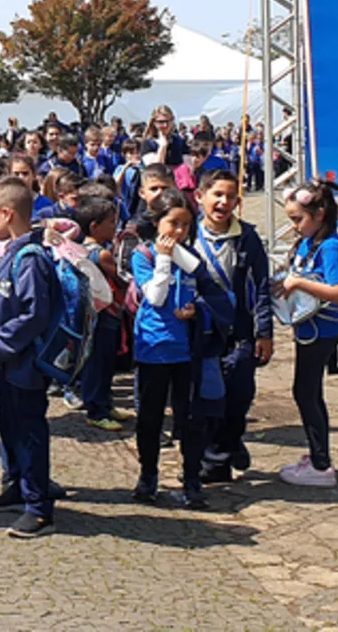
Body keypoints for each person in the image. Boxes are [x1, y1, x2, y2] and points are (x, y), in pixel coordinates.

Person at [0, 176, 59, 539]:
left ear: (7, 214)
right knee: (9, 426)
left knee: (29, 432)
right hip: (7, 363)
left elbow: (33, 316)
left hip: (26, 363)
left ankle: (39, 509)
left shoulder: (31, 259)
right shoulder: (9, 252)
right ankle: (17, 486)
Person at [128, 190, 225, 511]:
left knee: (190, 418)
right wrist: (165, 259)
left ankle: (192, 479)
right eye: (173, 224)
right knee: (150, 418)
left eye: (186, 225)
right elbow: (154, 297)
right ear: (157, 223)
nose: (179, 232)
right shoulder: (143, 255)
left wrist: (197, 310)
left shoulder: (191, 257)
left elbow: (211, 292)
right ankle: (147, 476)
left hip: (187, 351)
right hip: (154, 348)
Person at [194, 169, 274, 483]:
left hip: (240, 333)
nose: (222, 202)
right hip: (202, 333)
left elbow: (263, 287)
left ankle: (230, 442)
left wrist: (264, 332)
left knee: (239, 396)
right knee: (208, 399)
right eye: (217, 195)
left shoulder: (248, 238)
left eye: (229, 197)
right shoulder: (188, 236)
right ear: (200, 197)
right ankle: (215, 460)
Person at [275, 180, 338, 487]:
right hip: (307, 326)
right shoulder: (310, 241)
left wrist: (297, 284)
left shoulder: (331, 246)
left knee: (306, 393)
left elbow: (336, 291)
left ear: (320, 214)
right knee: (308, 392)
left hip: (322, 330)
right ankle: (317, 455)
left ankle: (321, 465)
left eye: (298, 219)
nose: (294, 226)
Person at [69, 194, 132, 432]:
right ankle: (97, 410)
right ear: (94, 226)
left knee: (105, 363)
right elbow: (122, 277)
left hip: (95, 314)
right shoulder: (100, 254)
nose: (115, 227)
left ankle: (105, 403)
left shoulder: (79, 248)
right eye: (111, 223)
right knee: (99, 364)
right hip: (105, 314)